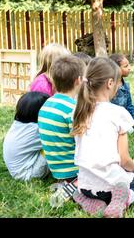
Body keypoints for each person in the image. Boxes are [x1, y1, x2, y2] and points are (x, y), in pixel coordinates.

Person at [72, 57, 134, 218]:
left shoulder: (78, 111)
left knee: (103, 183)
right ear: (109, 83)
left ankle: (84, 198)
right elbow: (124, 161)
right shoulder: (118, 113)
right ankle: (124, 199)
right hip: (111, 186)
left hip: (85, 184)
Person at [38, 55, 85, 183]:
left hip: (56, 170)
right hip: (75, 170)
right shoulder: (73, 109)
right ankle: (75, 186)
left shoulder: (46, 104)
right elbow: (84, 144)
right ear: (78, 80)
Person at [3, 92, 50, 181]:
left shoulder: (19, 124)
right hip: (29, 174)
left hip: (17, 171)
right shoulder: (36, 130)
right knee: (53, 143)